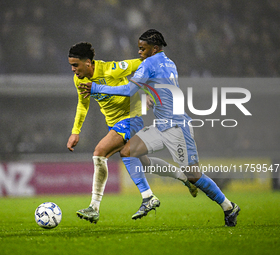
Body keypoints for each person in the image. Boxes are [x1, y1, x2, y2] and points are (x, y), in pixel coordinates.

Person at [79, 29, 241, 227]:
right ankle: (148, 197)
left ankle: (229, 207)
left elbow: (128, 90)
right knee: (128, 151)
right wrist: (148, 96)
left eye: (142, 48)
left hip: (177, 127)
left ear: (154, 48)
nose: (139, 52)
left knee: (194, 175)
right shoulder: (169, 62)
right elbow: (157, 87)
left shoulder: (149, 63)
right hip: (161, 125)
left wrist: (97, 88)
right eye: (138, 48)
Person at [67, 42, 197, 223]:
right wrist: (75, 131)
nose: (73, 69)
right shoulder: (79, 79)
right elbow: (83, 104)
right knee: (145, 163)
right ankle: (185, 177)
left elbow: (143, 63)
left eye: (76, 65)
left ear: (88, 62)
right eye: (71, 65)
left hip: (131, 117)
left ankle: (96, 207)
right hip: (114, 124)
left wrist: (151, 91)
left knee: (99, 152)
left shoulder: (112, 69)